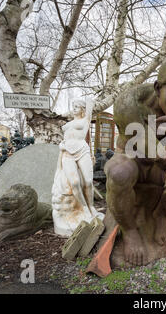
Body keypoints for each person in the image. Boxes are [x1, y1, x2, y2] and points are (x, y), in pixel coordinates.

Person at [105, 53, 166, 266]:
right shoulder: (129, 102)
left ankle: (161, 216)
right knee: (118, 171)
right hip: (133, 159)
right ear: (158, 88)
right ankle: (130, 232)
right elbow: (155, 154)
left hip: (161, 168)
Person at [51, 99, 103, 236]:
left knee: (88, 181)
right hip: (67, 153)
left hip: (82, 151)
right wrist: (60, 146)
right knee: (74, 182)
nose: (74, 109)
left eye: (77, 107)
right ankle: (84, 208)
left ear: (82, 109)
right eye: (73, 106)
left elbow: (90, 109)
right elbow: (63, 139)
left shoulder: (85, 120)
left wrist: (90, 104)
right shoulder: (66, 125)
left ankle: (91, 206)